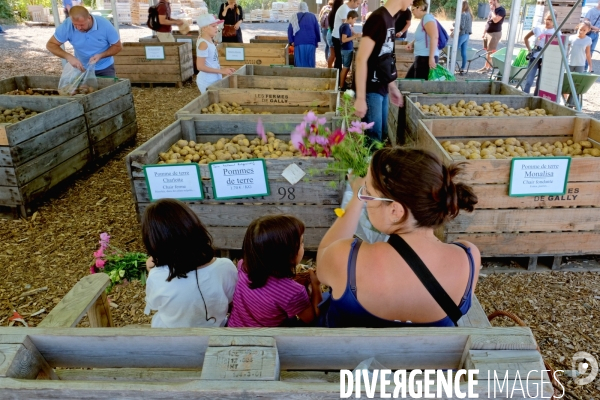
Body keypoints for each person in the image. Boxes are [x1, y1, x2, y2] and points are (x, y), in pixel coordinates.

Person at [316, 148, 481, 328]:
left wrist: (356, 198)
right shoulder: (468, 257)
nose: (365, 198)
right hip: (431, 355)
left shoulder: (344, 258)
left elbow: (324, 255)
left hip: (347, 354)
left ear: (395, 211)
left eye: (368, 192)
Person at [142, 199, 238, 328]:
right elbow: (231, 300)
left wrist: (152, 272)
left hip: (170, 340)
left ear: (154, 241)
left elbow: (153, 305)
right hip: (214, 334)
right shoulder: (225, 267)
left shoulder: (157, 276)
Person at [228, 215, 322, 327]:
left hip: (234, 328)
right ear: (287, 254)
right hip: (266, 339)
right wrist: (316, 285)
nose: (303, 245)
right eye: (301, 242)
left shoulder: (243, 266)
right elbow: (311, 318)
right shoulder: (293, 291)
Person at [354, 0, 407, 143]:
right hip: (371, 88)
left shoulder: (390, 18)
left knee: (382, 134)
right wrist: (360, 98)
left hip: (383, 87)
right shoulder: (378, 18)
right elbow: (361, 59)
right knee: (373, 139)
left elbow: (384, 58)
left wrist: (392, 86)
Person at [46, 6, 122, 77]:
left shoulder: (105, 25)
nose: (78, 28)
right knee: (82, 91)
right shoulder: (67, 25)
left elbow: (118, 46)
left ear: (89, 18)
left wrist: (101, 55)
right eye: (75, 24)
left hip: (105, 67)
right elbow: (51, 44)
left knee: (108, 90)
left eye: (82, 25)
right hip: (81, 68)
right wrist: (69, 57)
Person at [195, 14, 236, 93]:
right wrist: (221, 71)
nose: (216, 28)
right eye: (213, 26)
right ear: (204, 28)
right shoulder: (204, 44)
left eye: (216, 26)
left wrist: (224, 68)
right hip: (207, 81)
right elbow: (200, 66)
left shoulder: (209, 41)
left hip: (214, 78)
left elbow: (211, 62)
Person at [522, 12, 556, 95]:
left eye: (551, 20)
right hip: (534, 57)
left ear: (555, 20)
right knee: (529, 81)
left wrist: (549, 59)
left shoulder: (556, 32)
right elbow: (526, 38)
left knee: (540, 83)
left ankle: (535, 99)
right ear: (544, 18)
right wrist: (530, 50)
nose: (548, 21)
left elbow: (556, 49)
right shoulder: (538, 28)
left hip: (546, 59)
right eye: (547, 19)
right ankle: (524, 97)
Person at [406, 0, 439, 80]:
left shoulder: (427, 18)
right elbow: (424, 36)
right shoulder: (424, 19)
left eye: (413, 9)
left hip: (425, 58)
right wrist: (412, 43)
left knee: (418, 85)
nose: (412, 12)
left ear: (420, 8)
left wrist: (431, 58)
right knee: (410, 80)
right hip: (422, 57)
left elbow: (434, 37)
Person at [288, 2, 321, 68]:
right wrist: (317, 41)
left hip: (299, 42)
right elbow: (317, 29)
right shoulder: (312, 16)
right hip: (311, 42)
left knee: (300, 62)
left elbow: (290, 30)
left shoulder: (294, 16)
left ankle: (300, 76)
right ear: (306, 7)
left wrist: (291, 41)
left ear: (299, 7)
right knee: (310, 61)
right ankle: (310, 75)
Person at [332, 0, 361, 72]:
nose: (358, 5)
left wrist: (355, 34)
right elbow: (348, 25)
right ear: (352, 1)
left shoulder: (349, 9)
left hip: (340, 36)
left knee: (340, 59)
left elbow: (349, 26)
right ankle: (337, 79)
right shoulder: (344, 9)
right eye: (357, 3)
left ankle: (340, 78)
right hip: (337, 37)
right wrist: (355, 35)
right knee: (339, 59)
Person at [478, 0, 505, 72]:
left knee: (490, 52)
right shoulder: (492, 10)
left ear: (495, 1)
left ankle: (488, 68)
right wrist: (484, 32)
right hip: (488, 33)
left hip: (495, 33)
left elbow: (495, 20)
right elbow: (488, 21)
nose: (489, 4)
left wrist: (493, 11)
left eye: (490, 2)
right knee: (487, 50)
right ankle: (486, 66)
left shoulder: (501, 10)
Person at [339, 10, 360, 90]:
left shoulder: (345, 26)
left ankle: (342, 84)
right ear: (350, 18)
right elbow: (344, 39)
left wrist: (355, 34)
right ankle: (341, 86)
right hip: (346, 49)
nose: (355, 21)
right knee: (345, 68)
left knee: (346, 67)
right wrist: (354, 37)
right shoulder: (346, 26)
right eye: (354, 19)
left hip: (345, 49)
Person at [455, 1, 472, 73]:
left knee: (454, 50)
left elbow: (462, 26)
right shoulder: (469, 14)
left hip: (462, 34)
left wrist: (454, 24)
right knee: (463, 53)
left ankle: (452, 65)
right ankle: (462, 68)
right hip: (467, 35)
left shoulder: (463, 14)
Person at [583, 1, 600, 70]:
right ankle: (583, 68)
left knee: (591, 52)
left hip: (596, 34)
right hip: (590, 33)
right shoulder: (592, 10)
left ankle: (586, 68)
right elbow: (585, 21)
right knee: (586, 51)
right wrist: (593, 27)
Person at [327, 0, 344, 68]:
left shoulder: (331, 13)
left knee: (333, 55)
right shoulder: (339, 13)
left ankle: (330, 69)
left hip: (330, 32)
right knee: (335, 55)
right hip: (334, 35)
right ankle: (331, 71)